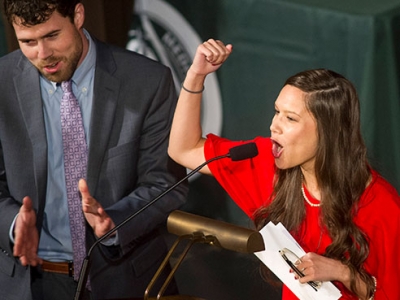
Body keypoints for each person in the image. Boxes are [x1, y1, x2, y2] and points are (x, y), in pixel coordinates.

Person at [168, 39, 400, 300]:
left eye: (290, 118)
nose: (274, 126)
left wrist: (343, 272)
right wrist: (196, 75)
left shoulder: (383, 206)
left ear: (329, 133)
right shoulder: (268, 163)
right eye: (277, 112)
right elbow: (184, 150)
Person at [0, 0, 188, 299]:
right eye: (28, 42)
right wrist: (12, 223)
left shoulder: (147, 81)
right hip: (29, 283)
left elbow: (166, 184)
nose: (42, 54)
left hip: (127, 280)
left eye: (51, 36)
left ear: (77, 15)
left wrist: (115, 221)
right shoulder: (2, 83)